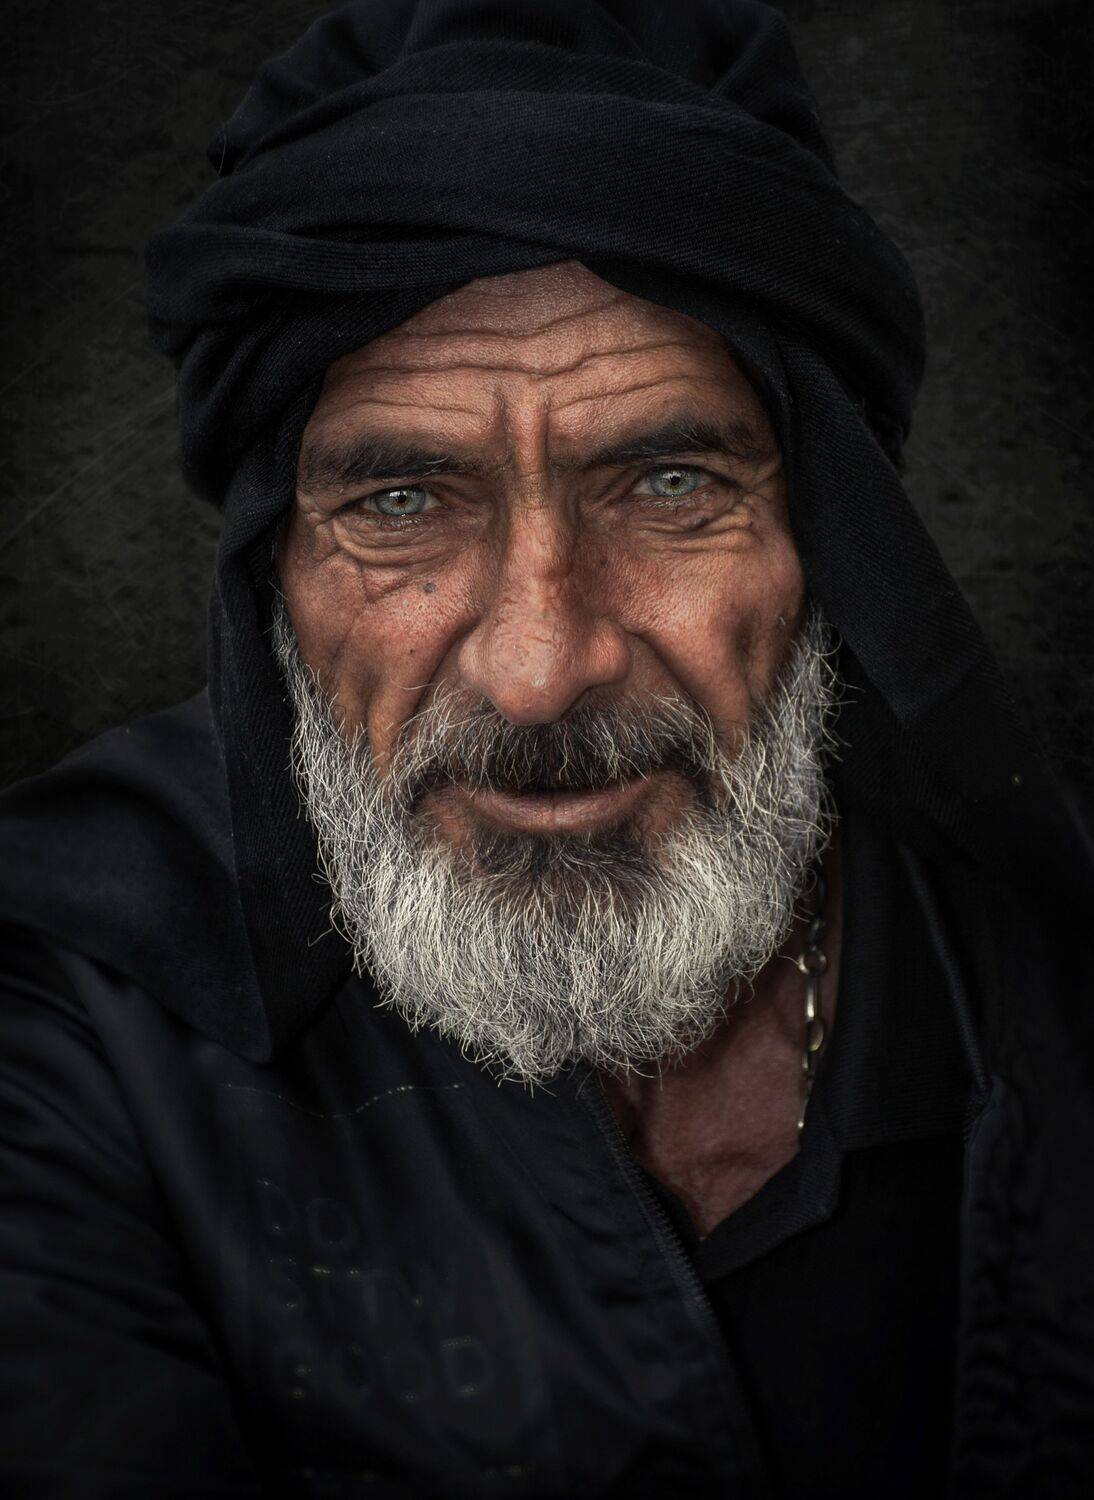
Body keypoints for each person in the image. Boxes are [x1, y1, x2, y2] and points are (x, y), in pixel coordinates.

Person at [1, 2, 1091, 1496]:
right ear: (275, 581)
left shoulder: (1029, 977)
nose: (538, 668)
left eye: (668, 484)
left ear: (830, 542)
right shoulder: (61, 1004)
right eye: (400, 505)